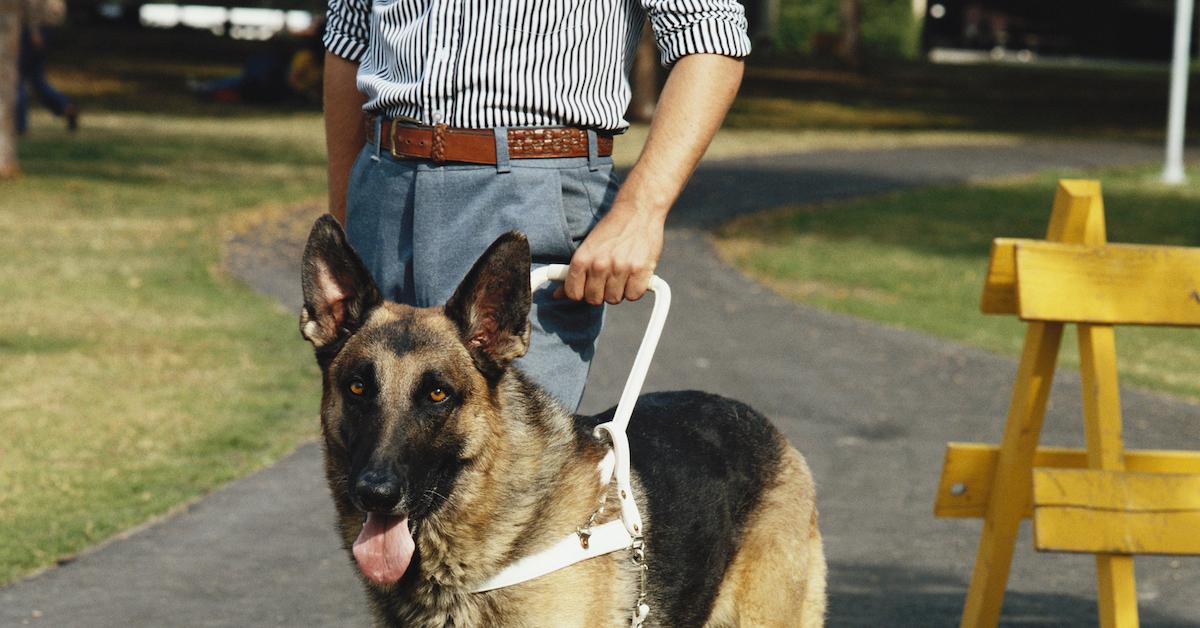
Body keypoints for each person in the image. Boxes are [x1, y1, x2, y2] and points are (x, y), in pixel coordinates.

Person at [323, 1, 749, 411]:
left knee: (511, 474)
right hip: (381, 190)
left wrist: (640, 210)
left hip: (527, 191)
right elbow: (347, 40)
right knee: (370, 460)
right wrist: (344, 230)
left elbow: (712, 35)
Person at [16, 0, 77, 135]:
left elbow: (32, 5)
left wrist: (33, 30)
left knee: (17, 78)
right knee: (37, 80)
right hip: (49, 27)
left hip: (35, 30)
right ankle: (65, 107)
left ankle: (19, 125)